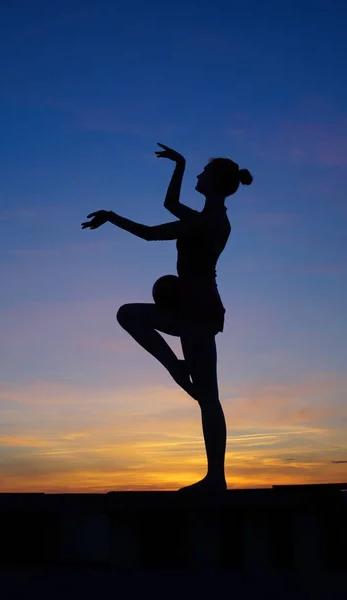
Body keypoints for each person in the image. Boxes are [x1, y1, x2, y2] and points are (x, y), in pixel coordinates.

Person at [81, 143, 253, 494]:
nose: (198, 176)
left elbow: (149, 233)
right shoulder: (204, 218)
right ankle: (176, 368)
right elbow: (170, 205)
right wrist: (180, 164)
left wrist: (112, 217)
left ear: (215, 182)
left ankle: (216, 479)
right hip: (188, 307)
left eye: (203, 173)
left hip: (200, 312)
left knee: (208, 397)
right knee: (129, 314)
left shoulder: (207, 222)